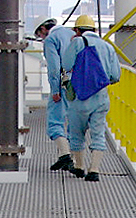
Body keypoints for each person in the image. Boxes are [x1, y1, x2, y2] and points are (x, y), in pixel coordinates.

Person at [62, 15, 121, 182]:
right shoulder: (108, 47)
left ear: (77, 30)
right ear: (94, 30)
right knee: (98, 133)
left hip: (80, 97)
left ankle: (79, 167)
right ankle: (94, 170)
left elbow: (66, 65)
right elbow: (115, 75)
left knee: (76, 133)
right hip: (101, 97)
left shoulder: (77, 43)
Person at [34, 17, 75, 171]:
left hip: (64, 84)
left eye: (40, 35)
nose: (41, 38)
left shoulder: (51, 40)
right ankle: (78, 161)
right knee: (74, 121)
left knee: (55, 120)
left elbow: (54, 67)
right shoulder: (72, 34)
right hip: (80, 84)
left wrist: (55, 90)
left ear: (44, 29)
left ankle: (65, 156)